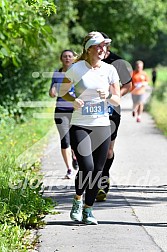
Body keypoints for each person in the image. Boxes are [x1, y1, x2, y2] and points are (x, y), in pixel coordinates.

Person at [59, 31, 120, 225]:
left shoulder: (110, 70)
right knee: (87, 166)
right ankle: (77, 200)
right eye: (99, 46)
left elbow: (117, 99)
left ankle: (88, 210)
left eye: (105, 46)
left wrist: (108, 96)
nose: (103, 49)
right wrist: (73, 100)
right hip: (80, 124)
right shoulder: (76, 69)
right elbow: (62, 92)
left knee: (97, 171)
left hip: (102, 125)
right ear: (89, 49)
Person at [95, 32, 132, 202]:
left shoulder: (117, 62)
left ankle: (104, 177)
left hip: (112, 110)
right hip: (91, 109)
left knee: (108, 149)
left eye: (103, 44)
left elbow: (128, 85)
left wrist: (113, 98)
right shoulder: (88, 62)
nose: (101, 47)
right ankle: (93, 181)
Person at [49, 49, 78, 179]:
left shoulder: (78, 73)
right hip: (61, 111)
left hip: (76, 111)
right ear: (61, 59)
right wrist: (52, 91)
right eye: (65, 56)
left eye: (70, 56)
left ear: (73, 59)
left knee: (76, 139)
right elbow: (52, 90)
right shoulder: (57, 73)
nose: (67, 58)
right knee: (65, 140)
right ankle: (69, 169)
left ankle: (75, 157)